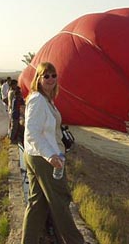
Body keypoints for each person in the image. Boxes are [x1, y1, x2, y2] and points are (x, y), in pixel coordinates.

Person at [21, 62, 83, 244]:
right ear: (38, 79)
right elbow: (31, 131)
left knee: (37, 204)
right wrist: (50, 155)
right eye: (45, 76)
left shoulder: (46, 100)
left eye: (53, 75)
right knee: (60, 202)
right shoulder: (37, 100)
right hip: (44, 159)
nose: (50, 79)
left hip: (37, 155)